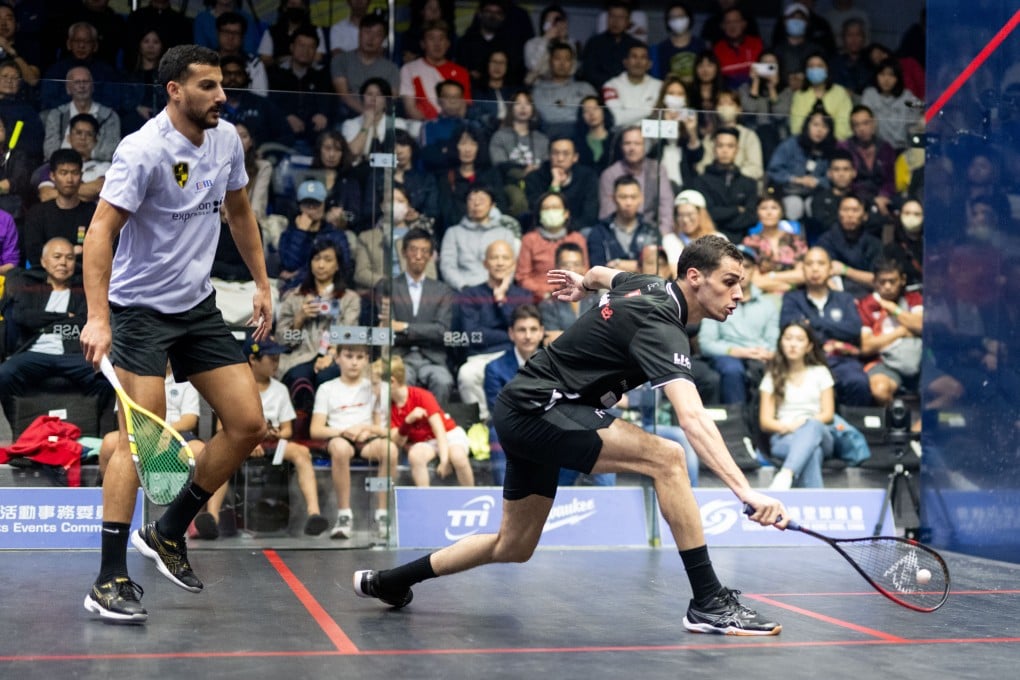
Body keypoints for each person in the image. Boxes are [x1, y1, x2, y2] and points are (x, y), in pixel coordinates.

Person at [352, 235, 788, 638]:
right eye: (730, 282)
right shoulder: (661, 322)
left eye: (741, 285)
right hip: (542, 410)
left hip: (523, 409)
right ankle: (708, 601)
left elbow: (602, 274)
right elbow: (692, 416)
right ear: (694, 277)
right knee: (668, 458)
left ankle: (391, 581)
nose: (739, 295)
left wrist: (584, 284)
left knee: (514, 545)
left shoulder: (646, 284)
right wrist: (747, 491)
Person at [80, 44, 274, 625]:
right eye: (209, 87)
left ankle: (168, 531)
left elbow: (239, 213)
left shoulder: (225, 140)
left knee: (247, 424)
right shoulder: (141, 151)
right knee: (144, 443)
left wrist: (262, 283)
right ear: (175, 90)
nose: (221, 96)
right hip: (138, 310)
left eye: (222, 86)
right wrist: (97, 317)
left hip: (198, 306)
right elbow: (99, 235)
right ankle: (108, 576)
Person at [198, 335, 330, 539]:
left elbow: (287, 429)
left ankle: (314, 514)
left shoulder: (281, 390)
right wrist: (249, 440)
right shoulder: (234, 388)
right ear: (253, 359)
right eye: (271, 358)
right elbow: (221, 427)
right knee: (220, 455)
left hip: (272, 442)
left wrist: (275, 434)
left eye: (277, 359)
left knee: (302, 453)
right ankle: (212, 517)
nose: (276, 364)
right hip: (241, 442)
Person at [0, 237, 113, 420]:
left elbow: (82, 322)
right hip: (35, 353)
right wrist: (62, 317)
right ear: (44, 262)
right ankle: (20, 426)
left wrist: (45, 320)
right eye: (57, 256)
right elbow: (23, 317)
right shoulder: (32, 289)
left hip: (74, 354)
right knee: (4, 374)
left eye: (69, 258)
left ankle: (94, 427)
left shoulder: (83, 292)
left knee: (107, 375)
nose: (63, 262)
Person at [309, 343, 396, 540]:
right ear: (338, 358)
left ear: (367, 360)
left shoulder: (377, 388)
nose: (354, 362)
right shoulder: (327, 388)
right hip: (339, 437)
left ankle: (382, 515)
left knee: (389, 449)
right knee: (340, 449)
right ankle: (344, 515)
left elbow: (389, 429)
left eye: (360, 357)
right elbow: (316, 429)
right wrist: (344, 432)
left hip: (368, 439)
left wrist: (367, 430)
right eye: (349, 356)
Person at [275, 240, 361, 425]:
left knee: (325, 375)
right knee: (299, 375)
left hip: (336, 357)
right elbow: (282, 340)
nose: (321, 264)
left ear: (338, 265)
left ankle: (326, 426)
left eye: (328, 259)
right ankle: (299, 428)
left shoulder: (349, 299)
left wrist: (331, 354)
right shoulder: (294, 296)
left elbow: (350, 334)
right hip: (301, 355)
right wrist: (299, 319)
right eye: (317, 258)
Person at [779, 247, 871, 406]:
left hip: (841, 360)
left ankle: (852, 429)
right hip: (805, 360)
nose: (815, 269)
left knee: (858, 382)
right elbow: (787, 327)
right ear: (803, 269)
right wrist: (833, 333)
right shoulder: (792, 298)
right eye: (809, 264)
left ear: (830, 269)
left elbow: (854, 330)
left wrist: (813, 323)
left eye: (821, 264)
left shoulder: (845, 299)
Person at [373, 228, 455, 404]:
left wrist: (405, 327)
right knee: (399, 380)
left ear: (431, 256)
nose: (418, 256)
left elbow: (441, 331)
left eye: (424, 251)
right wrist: (425, 332)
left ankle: (435, 428)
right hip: (400, 357)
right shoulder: (387, 286)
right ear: (403, 252)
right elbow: (389, 330)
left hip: (432, 358)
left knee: (443, 381)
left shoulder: (442, 290)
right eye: (413, 250)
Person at [454, 239, 532, 419]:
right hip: (480, 355)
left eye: (505, 258)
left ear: (513, 264)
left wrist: (501, 300)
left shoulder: (522, 296)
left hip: (512, 356)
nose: (500, 262)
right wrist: (509, 334)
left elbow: (524, 331)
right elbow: (471, 334)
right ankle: (483, 423)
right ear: (485, 263)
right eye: (494, 257)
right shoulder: (470, 295)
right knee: (466, 375)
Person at [759, 320, 835, 490]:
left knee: (813, 425)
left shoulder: (820, 372)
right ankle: (815, 505)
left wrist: (804, 424)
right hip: (785, 436)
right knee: (812, 453)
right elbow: (765, 421)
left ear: (809, 346)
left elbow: (828, 414)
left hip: (820, 433)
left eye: (800, 339)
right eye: (788, 338)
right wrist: (791, 427)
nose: (793, 344)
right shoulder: (772, 375)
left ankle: (785, 474)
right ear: (781, 342)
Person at [699, 245, 779, 404]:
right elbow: (706, 344)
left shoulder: (768, 304)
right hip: (728, 355)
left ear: (755, 270)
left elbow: (773, 343)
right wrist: (738, 352)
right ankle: (736, 422)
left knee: (769, 369)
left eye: (747, 267)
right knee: (732, 369)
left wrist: (766, 353)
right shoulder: (715, 300)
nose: (741, 272)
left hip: (759, 355)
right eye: (735, 268)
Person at [381, 356, 475, 488]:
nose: (373, 389)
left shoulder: (422, 396)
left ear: (392, 382)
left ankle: (470, 496)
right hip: (425, 442)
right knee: (415, 456)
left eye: (376, 384)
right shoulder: (389, 406)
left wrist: (444, 460)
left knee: (458, 457)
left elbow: (439, 430)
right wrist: (408, 421)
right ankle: (424, 499)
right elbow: (400, 441)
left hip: (449, 435)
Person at [483, 303, 545, 485]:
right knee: (496, 432)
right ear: (511, 333)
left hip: (548, 425)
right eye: (521, 330)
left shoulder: (555, 364)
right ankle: (506, 497)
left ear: (541, 332)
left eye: (533, 329)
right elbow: (498, 410)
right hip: (513, 427)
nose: (528, 336)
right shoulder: (494, 368)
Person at [858, 258, 923, 405]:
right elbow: (866, 346)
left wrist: (894, 309)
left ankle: (918, 426)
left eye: (892, 281)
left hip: (918, 360)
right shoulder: (866, 305)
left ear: (902, 280)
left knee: (951, 389)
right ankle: (898, 422)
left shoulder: (914, 298)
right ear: (874, 282)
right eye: (882, 282)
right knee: (879, 391)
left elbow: (921, 326)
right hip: (885, 363)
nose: (887, 287)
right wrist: (901, 331)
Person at [22, 149, 96, 268]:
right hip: (45, 278)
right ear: (52, 176)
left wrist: (54, 254)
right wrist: (73, 251)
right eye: (63, 173)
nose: (69, 179)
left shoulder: (92, 212)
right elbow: (34, 254)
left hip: (82, 276)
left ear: (81, 176)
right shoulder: (37, 213)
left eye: (75, 173)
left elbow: (97, 252)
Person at [597, 126, 674, 235]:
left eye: (637, 143)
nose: (632, 148)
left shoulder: (657, 170)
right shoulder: (609, 175)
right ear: (621, 147)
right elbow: (607, 214)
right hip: (619, 232)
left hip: (650, 232)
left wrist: (662, 234)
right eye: (627, 143)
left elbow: (666, 205)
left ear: (645, 147)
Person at [439, 186, 520, 291]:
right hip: (462, 290)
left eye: (482, 200)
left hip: (497, 290)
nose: (476, 204)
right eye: (471, 200)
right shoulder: (453, 233)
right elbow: (447, 266)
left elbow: (511, 267)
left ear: (492, 205)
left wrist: (501, 287)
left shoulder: (505, 234)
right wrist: (463, 287)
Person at [516, 191, 588, 300]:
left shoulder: (577, 239)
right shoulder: (529, 240)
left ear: (566, 213)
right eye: (546, 208)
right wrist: (547, 292)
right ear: (539, 214)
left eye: (555, 208)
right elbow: (522, 277)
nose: (551, 211)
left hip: (576, 294)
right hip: (540, 298)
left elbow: (585, 271)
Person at [766, 108, 835, 222]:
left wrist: (818, 181)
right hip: (789, 192)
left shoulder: (831, 149)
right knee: (795, 205)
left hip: (817, 193)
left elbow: (834, 178)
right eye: (815, 125)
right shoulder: (790, 144)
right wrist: (795, 179)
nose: (819, 130)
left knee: (815, 205)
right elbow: (773, 171)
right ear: (807, 126)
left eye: (824, 126)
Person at [42, 65, 121, 163]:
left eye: (86, 82)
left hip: (98, 167)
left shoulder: (109, 116)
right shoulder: (57, 115)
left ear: (93, 86)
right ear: (68, 88)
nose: (82, 86)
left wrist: (89, 155)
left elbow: (113, 151)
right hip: (62, 167)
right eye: (77, 82)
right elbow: (49, 151)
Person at [691, 127, 758, 242]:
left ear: (737, 149)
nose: (725, 150)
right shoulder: (700, 181)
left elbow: (751, 217)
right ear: (714, 149)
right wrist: (737, 210)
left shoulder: (749, 183)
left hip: (743, 242)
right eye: (720, 146)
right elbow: (707, 214)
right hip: (711, 240)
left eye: (730, 146)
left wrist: (722, 216)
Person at [331, 13, 400, 121]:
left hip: (380, 118)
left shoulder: (391, 68)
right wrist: (367, 114)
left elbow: (392, 99)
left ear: (383, 40)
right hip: (349, 116)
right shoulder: (340, 60)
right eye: (367, 32)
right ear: (359, 34)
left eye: (377, 35)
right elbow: (344, 95)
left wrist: (376, 117)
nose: (371, 38)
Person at [400, 20, 471, 122]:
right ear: (423, 44)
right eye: (431, 38)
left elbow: (464, 107)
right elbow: (410, 108)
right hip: (420, 127)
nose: (437, 44)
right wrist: (431, 127)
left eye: (441, 38)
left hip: (453, 128)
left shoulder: (461, 72)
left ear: (447, 44)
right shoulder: (409, 69)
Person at [523, 136, 599, 230]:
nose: (560, 158)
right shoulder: (535, 177)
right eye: (555, 153)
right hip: (544, 229)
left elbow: (589, 215)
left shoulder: (587, 176)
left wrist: (566, 231)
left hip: (578, 229)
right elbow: (537, 213)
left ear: (575, 157)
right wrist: (555, 186)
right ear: (549, 156)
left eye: (566, 154)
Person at [816, 193, 882, 298]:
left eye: (855, 210)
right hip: (834, 294)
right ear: (838, 213)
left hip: (867, 295)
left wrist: (846, 270)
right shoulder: (826, 240)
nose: (850, 215)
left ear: (865, 216)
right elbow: (820, 274)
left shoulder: (874, 243)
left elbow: (878, 280)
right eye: (845, 210)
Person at [588, 175, 659, 271]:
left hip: (645, 286)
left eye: (633, 197)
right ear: (613, 198)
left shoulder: (651, 231)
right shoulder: (600, 232)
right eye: (623, 197)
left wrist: (618, 264)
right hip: (610, 286)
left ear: (641, 198)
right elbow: (597, 270)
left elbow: (657, 268)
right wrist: (640, 267)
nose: (628, 202)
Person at [742, 195, 807, 295]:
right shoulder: (750, 242)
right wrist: (789, 285)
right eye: (763, 208)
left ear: (782, 212)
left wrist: (771, 276)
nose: (769, 213)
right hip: (763, 296)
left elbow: (803, 274)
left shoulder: (795, 240)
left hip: (797, 295)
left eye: (774, 208)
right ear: (757, 213)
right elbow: (755, 280)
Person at [538, 242, 595, 345]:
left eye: (576, 264)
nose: (571, 270)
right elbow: (552, 341)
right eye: (566, 265)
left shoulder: (598, 301)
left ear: (584, 267)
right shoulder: (548, 305)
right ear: (557, 268)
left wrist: (563, 335)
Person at [788, 53, 853, 141]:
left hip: (836, 143)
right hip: (806, 144)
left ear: (827, 69)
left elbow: (844, 125)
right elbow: (796, 127)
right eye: (811, 66)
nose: (815, 69)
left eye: (819, 66)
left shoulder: (840, 92)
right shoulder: (799, 95)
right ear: (806, 71)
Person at [860, 59, 921, 152]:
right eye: (882, 74)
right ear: (876, 76)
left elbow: (921, 110)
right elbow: (864, 122)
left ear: (897, 78)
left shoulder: (907, 96)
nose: (886, 79)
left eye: (891, 75)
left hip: (902, 148)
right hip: (877, 149)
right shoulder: (869, 95)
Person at [579, 1, 642, 91]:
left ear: (628, 21)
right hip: (598, 92)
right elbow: (589, 73)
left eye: (620, 17)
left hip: (628, 92)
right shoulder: (594, 43)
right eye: (612, 16)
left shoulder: (636, 45)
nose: (615, 21)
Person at [602, 43, 662, 131]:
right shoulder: (611, 85)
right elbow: (618, 118)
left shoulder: (660, 86)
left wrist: (629, 115)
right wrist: (651, 110)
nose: (638, 62)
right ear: (625, 62)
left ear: (650, 64)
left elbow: (661, 119)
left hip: (651, 139)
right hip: (620, 139)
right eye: (634, 57)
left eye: (643, 57)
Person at [662, 190, 721, 276]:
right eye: (680, 215)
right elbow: (676, 273)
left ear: (701, 214)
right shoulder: (671, 240)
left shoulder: (718, 238)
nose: (685, 220)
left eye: (690, 214)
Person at [651, 2, 705, 84]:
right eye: (673, 18)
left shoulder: (701, 45)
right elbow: (660, 78)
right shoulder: (661, 48)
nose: (677, 20)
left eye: (681, 16)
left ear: (689, 18)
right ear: (667, 22)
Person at [711, 6, 762, 89]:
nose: (732, 26)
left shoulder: (758, 44)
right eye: (728, 22)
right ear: (722, 26)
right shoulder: (716, 50)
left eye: (736, 21)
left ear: (744, 24)